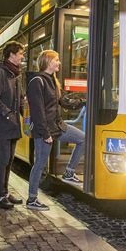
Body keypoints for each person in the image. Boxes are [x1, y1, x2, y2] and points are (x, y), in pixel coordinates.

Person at [26, 49, 85, 211]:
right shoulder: (37, 81)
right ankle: (32, 199)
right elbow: (37, 111)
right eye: (56, 60)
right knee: (39, 164)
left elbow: (62, 102)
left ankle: (69, 172)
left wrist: (82, 101)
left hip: (57, 126)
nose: (59, 62)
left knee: (83, 138)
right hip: (44, 130)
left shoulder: (52, 80)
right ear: (47, 61)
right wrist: (45, 134)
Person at [0, 41, 26, 210]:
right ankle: (0, 196)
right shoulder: (0, 73)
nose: (22, 57)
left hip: (13, 125)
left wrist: (24, 111)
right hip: (4, 124)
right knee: (3, 159)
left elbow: (19, 99)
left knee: (9, 160)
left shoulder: (15, 74)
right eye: (20, 54)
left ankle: (5, 192)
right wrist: (8, 113)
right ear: (11, 54)